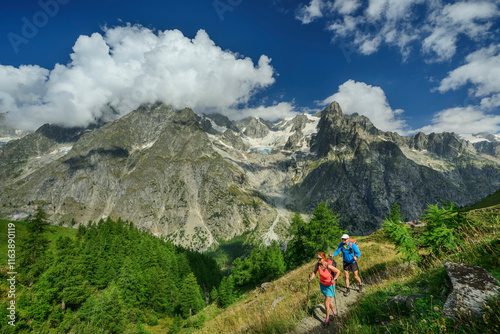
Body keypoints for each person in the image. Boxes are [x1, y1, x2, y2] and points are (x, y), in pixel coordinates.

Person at [308, 251, 340, 328]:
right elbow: (314, 272)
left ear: (323, 258)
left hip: (330, 285)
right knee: (329, 301)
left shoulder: (328, 266)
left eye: (319, 258)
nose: (318, 260)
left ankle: (327, 320)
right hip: (322, 285)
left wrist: (334, 279)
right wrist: (311, 278)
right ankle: (335, 313)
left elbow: (338, 271)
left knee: (326, 302)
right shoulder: (317, 265)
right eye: (317, 258)